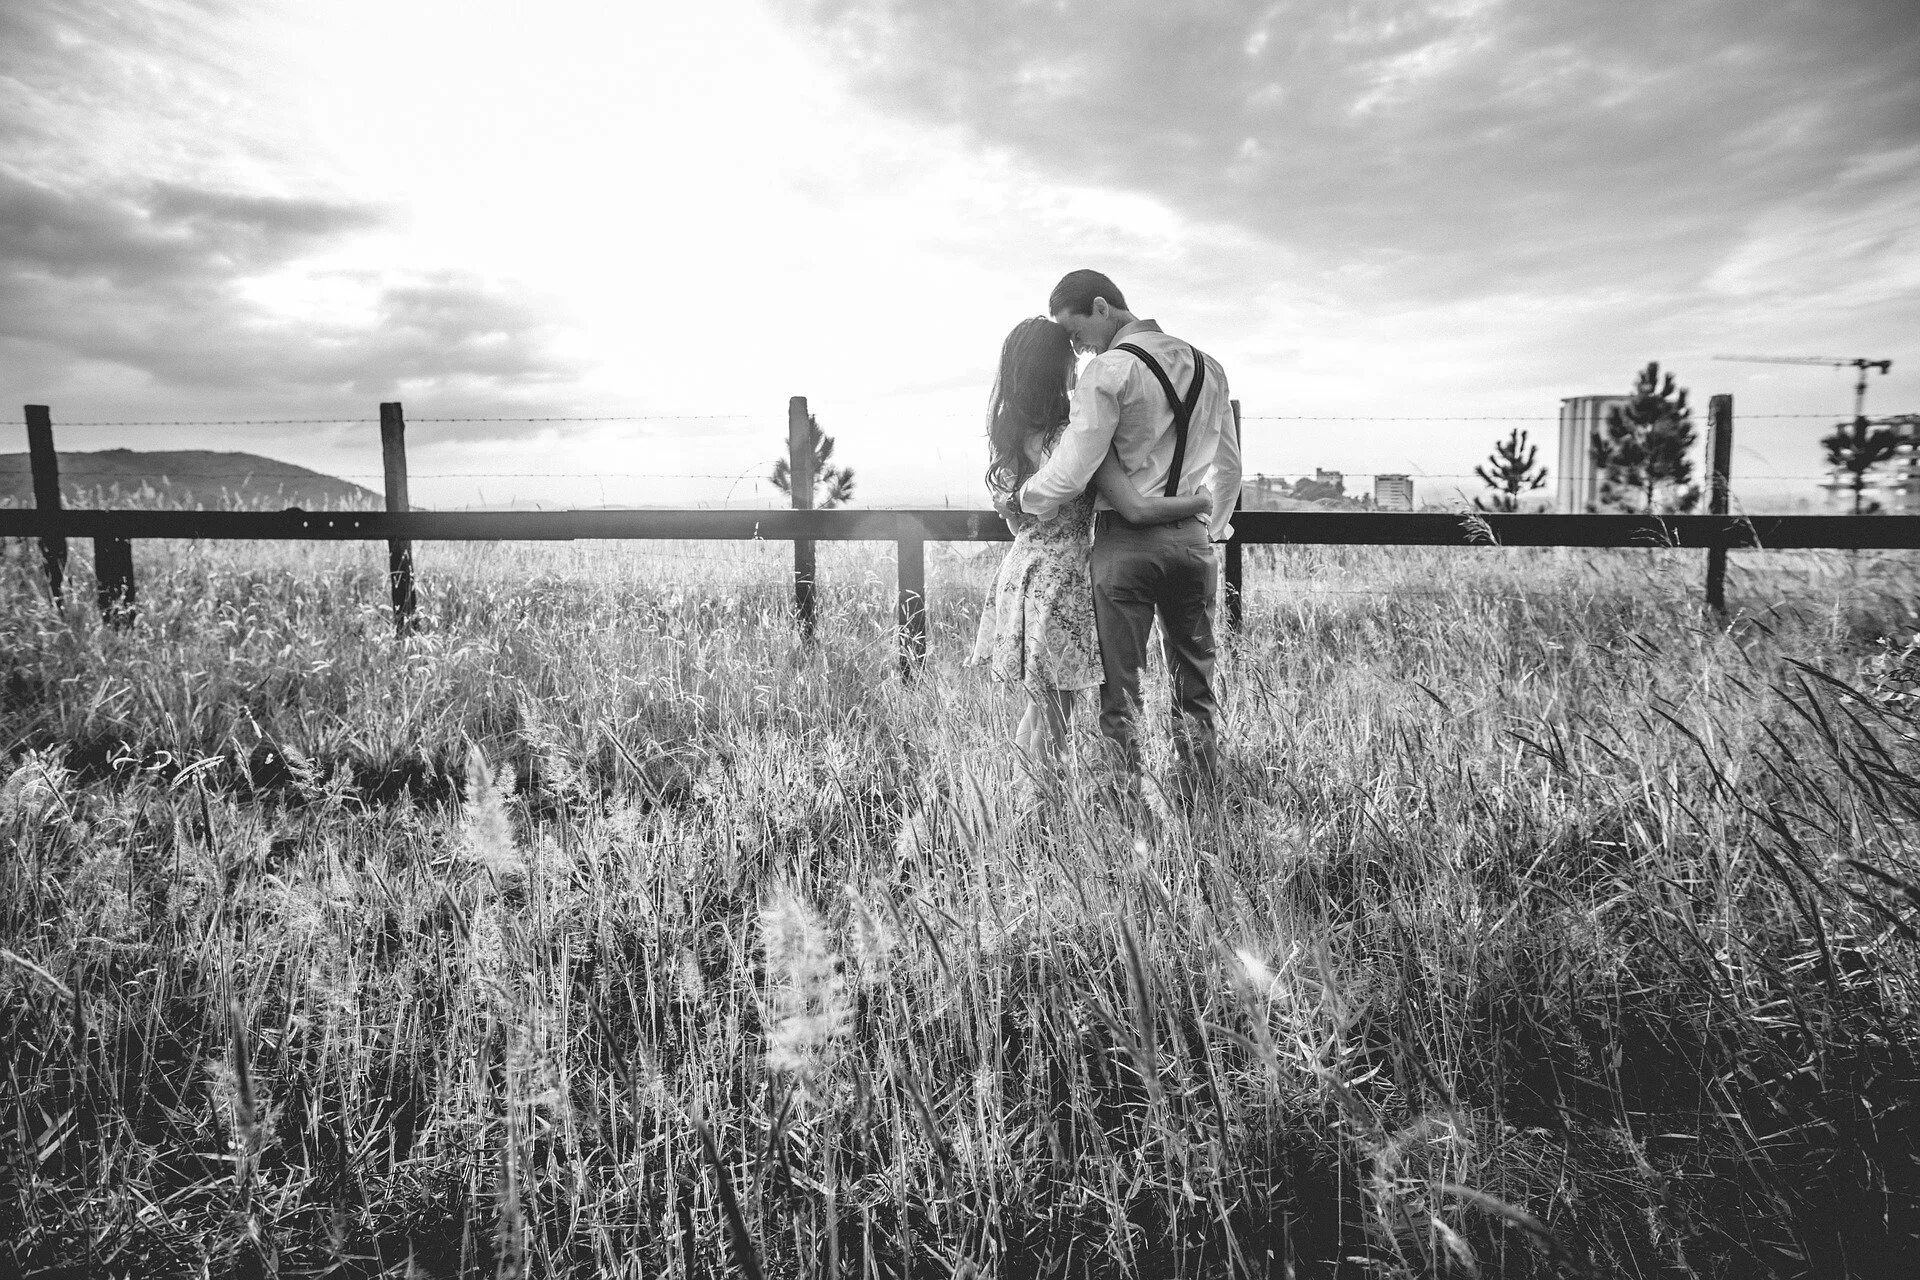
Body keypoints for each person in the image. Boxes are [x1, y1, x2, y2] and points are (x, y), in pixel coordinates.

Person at [1010, 270, 1242, 799]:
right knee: (1197, 687)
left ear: (1101, 307)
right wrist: (1213, 527)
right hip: (1194, 543)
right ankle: (1202, 805)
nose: (1078, 348)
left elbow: (1071, 472)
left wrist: (1021, 500)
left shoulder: (1110, 372)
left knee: (1123, 694)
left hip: (1125, 548)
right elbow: (1228, 468)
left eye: (1076, 333)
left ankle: (1126, 810)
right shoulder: (1211, 367)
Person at [971, 317, 1210, 776]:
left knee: (1041, 709)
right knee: (1054, 716)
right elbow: (1135, 508)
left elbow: (1013, 520)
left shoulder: (1010, 439)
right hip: (1064, 582)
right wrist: (1199, 500)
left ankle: (1027, 803)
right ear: (1058, 370)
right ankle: (1036, 809)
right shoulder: (1075, 438)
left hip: (1023, 573)